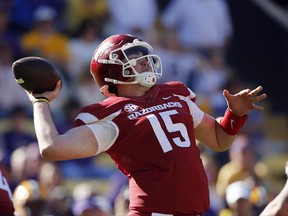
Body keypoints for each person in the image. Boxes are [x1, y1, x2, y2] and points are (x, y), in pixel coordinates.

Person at [24, 34, 267, 215]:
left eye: (143, 56)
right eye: (133, 58)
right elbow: (52, 147)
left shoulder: (175, 94)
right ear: (113, 71)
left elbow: (219, 140)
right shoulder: (110, 114)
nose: (143, 61)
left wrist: (234, 115)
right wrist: (40, 101)